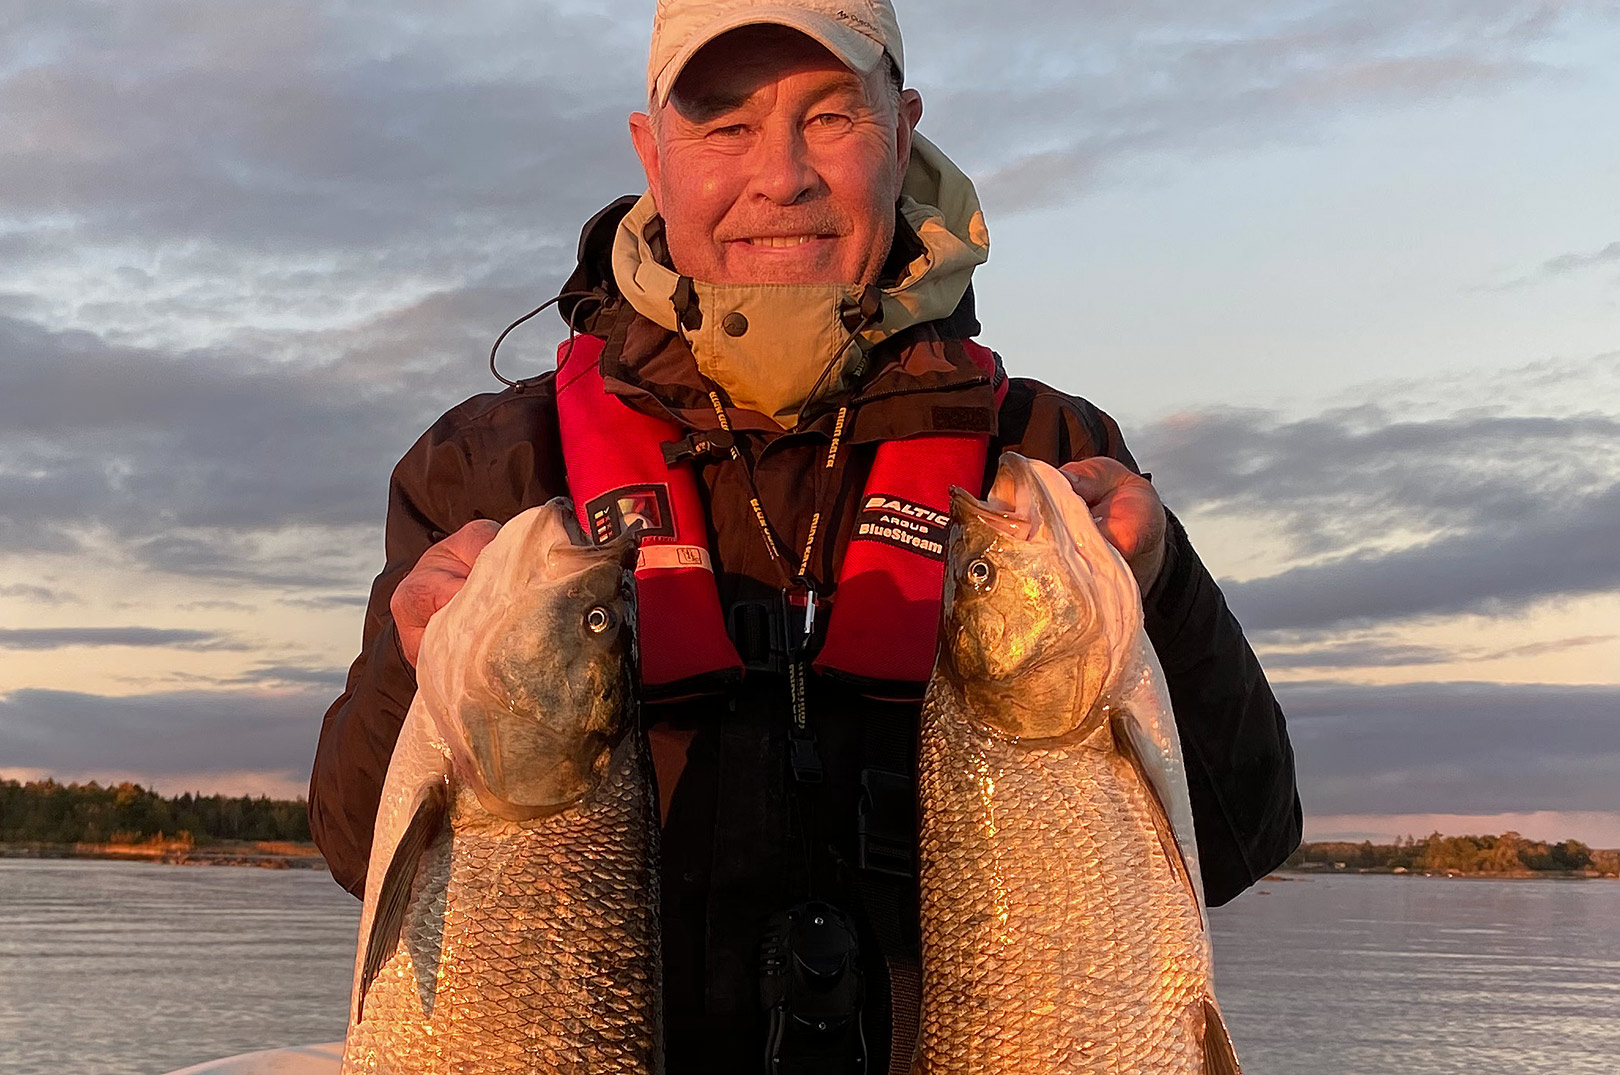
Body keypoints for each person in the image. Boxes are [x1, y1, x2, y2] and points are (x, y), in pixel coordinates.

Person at [309, 2, 1302, 1071]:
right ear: (652, 151)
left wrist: (1164, 585)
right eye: (725, 126)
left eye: (831, 118)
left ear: (904, 129)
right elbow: (358, 846)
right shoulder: (498, 467)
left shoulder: (1042, 458)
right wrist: (412, 672)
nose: (780, 177)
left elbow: (1241, 836)